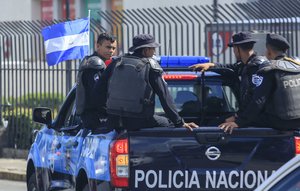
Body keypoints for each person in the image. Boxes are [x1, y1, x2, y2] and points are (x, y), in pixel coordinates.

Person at [93, 34, 198, 132]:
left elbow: (98, 90)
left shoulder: (116, 62)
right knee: (168, 123)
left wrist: (107, 114)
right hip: (139, 121)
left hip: (114, 121)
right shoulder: (150, 66)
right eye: (153, 49)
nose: (154, 52)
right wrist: (179, 122)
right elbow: (164, 96)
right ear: (146, 50)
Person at [219, 33, 300, 133]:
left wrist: (238, 122)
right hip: (297, 122)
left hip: (280, 121)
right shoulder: (296, 66)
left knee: (227, 121)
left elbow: (258, 101)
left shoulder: (269, 69)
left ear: (269, 51)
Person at [189, 31, 269, 123]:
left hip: (254, 119)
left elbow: (256, 101)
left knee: (217, 124)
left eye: (234, 48)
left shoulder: (255, 68)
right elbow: (230, 68)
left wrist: (238, 119)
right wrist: (212, 65)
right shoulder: (246, 65)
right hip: (248, 117)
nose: (234, 51)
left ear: (237, 48)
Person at [76, 33, 117, 130]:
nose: (111, 51)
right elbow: (98, 94)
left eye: (113, 48)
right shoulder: (95, 64)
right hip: (95, 118)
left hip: (94, 116)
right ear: (98, 46)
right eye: (108, 47)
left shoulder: (93, 62)